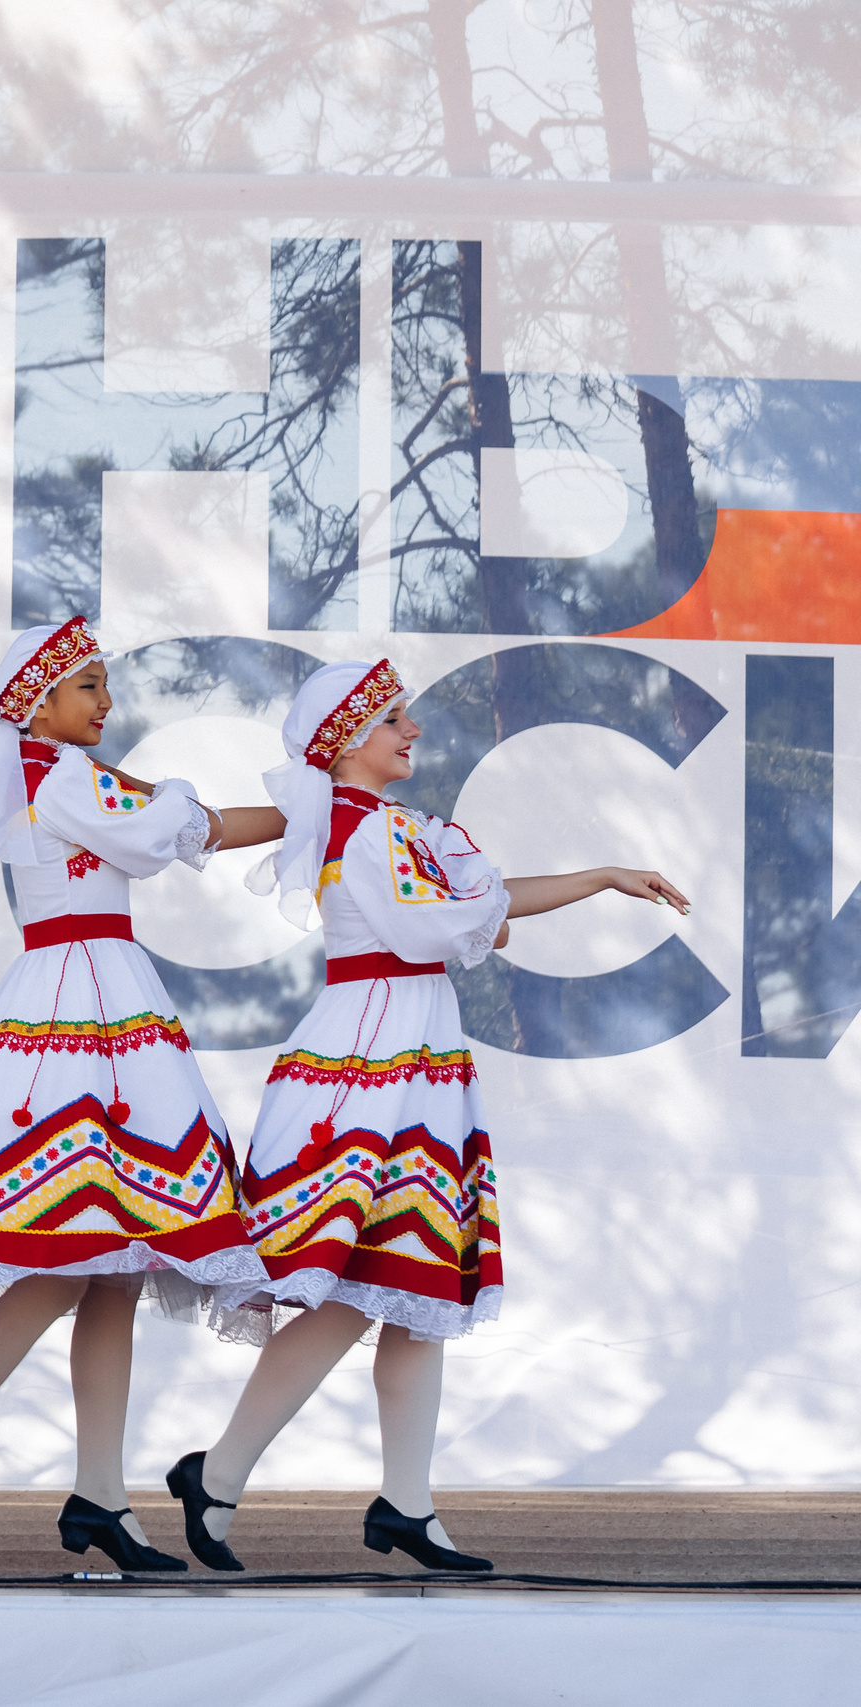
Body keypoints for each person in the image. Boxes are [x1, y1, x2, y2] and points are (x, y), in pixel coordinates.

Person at [165, 659, 690, 1573]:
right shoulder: (365, 833)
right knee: (348, 1288)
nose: (413, 731)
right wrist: (481, 910)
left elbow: (474, 909)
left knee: (416, 1292)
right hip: (367, 1069)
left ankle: (398, 1502)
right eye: (393, 719)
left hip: (414, 1062)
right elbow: (432, 931)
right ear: (345, 738)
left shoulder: (398, 831)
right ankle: (223, 1472)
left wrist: (602, 877)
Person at [0, 617, 283, 1572]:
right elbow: (173, 831)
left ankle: (101, 1493)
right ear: (33, 700)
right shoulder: (59, 777)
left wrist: (303, 815)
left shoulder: (38, 777)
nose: (104, 701)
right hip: (75, 1009)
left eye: (104, 685)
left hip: (104, 1000)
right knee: (63, 1259)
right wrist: (308, 811)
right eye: (85, 686)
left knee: (116, 1263)